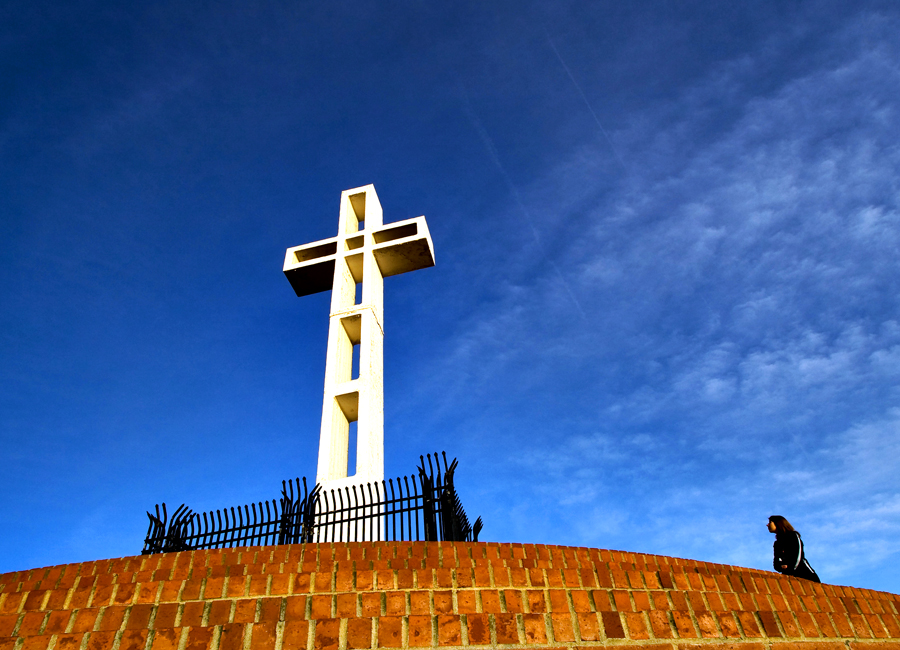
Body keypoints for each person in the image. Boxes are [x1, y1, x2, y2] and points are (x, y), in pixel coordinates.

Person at [767, 515, 820, 582]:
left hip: (805, 574)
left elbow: (797, 555)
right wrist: (781, 567)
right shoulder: (777, 543)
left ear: (778, 523)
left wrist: (790, 569)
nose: (767, 525)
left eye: (770, 522)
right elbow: (776, 562)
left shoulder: (792, 535)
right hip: (789, 577)